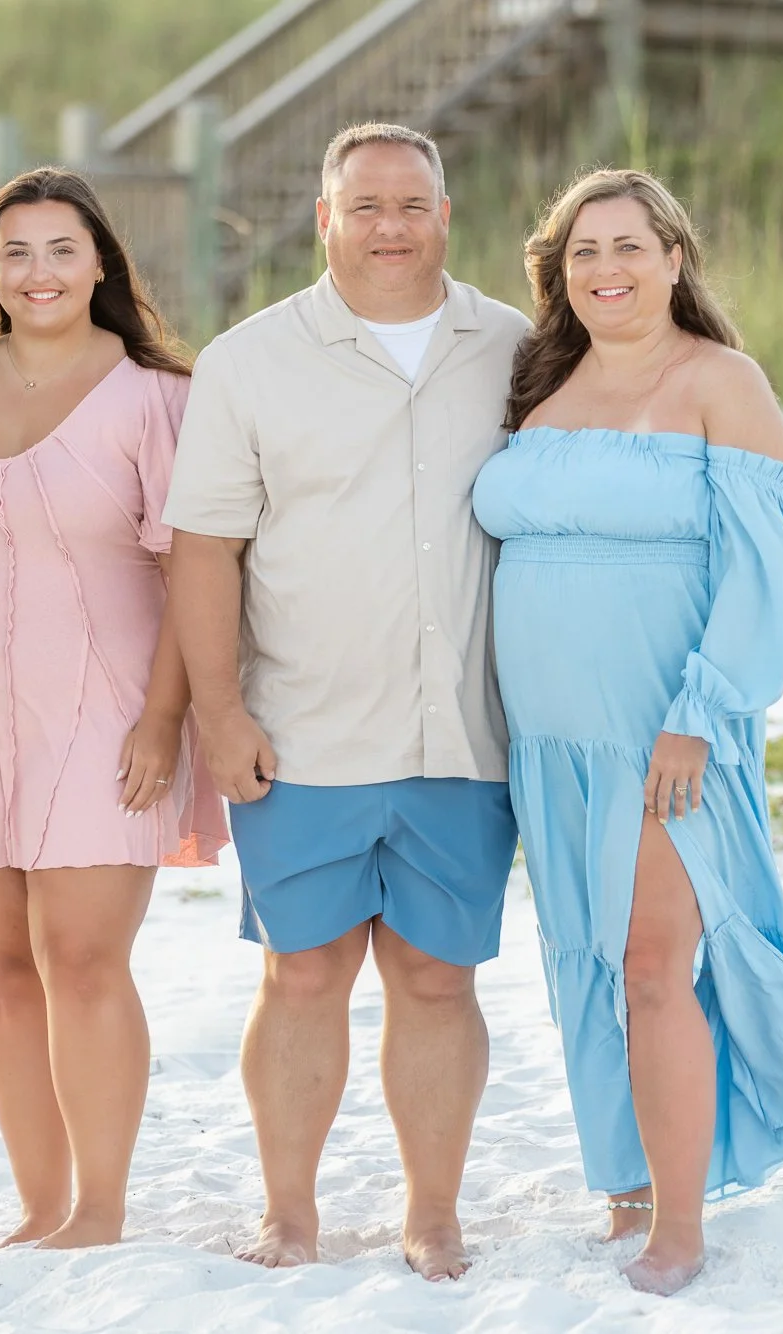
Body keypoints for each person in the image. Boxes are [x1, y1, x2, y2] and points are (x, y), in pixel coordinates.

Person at [471, 168, 783, 1295]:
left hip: (666, 732)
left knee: (652, 962)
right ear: (559, 273)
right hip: (549, 736)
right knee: (589, 963)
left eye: (628, 246)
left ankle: (677, 1225)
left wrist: (699, 715)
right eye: (582, 251)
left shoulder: (717, 380)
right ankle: (627, 1184)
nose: (606, 269)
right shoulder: (540, 383)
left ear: (674, 258)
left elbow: (762, 571)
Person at [165, 124, 529, 1282]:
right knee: (303, 970)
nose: (388, 225)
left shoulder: (513, 347)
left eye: (410, 203)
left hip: (461, 729)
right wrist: (216, 712)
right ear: (323, 218)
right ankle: (290, 1213)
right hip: (302, 729)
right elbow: (202, 547)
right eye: (362, 204)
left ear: (444, 213)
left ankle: (432, 1213)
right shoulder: (248, 360)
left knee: (434, 975)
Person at [0, 167, 228, 1251]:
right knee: (3, 970)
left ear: (100, 263)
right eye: (14, 252)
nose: (37, 271)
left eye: (60, 249)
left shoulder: (154, 397)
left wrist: (162, 720)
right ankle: (39, 1204)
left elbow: (196, 571)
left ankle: (98, 1204)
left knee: (83, 961)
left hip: (108, 713)